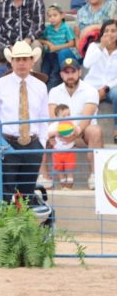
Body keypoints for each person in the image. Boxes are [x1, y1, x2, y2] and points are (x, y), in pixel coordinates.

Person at [0, 41, 48, 201]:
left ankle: (24, 224)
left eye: (25, 59)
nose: (21, 63)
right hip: (7, 143)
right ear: (11, 62)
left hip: (33, 145)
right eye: (17, 59)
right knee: (4, 192)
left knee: (27, 192)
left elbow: (43, 118)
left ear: (32, 61)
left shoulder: (40, 86)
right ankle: (6, 224)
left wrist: (42, 143)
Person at [47, 57, 100, 188]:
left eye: (73, 71)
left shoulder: (91, 90)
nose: (70, 75)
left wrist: (74, 134)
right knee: (39, 131)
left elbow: (86, 118)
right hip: (60, 134)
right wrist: (58, 134)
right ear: (61, 75)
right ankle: (44, 176)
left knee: (95, 131)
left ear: (79, 72)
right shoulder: (54, 91)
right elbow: (53, 118)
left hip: (81, 134)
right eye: (66, 72)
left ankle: (94, 175)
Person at [83, 19, 117, 142]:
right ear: (102, 34)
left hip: (111, 89)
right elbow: (87, 64)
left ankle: (116, 130)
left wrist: (106, 89)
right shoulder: (94, 46)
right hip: (91, 87)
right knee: (85, 97)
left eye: (113, 31)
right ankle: (85, 132)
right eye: (106, 31)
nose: (109, 34)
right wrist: (101, 47)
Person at [40, 4, 78, 89]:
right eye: (49, 16)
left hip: (59, 55)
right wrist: (47, 43)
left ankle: (49, 92)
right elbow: (39, 39)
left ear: (62, 15)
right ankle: (41, 90)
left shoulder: (66, 28)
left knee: (54, 74)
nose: (52, 18)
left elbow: (72, 43)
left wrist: (56, 48)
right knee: (44, 73)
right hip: (48, 55)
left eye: (55, 15)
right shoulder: (48, 28)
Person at [46, 104, 78, 189]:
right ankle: (63, 185)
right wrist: (55, 133)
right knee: (59, 169)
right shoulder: (54, 125)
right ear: (57, 117)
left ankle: (70, 186)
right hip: (57, 151)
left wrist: (74, 129)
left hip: (69, 150)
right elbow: (48, 134)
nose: (67, 117)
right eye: (64, 116)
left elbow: (78, 131)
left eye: (68, 115)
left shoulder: (72, 124)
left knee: (70, 169)